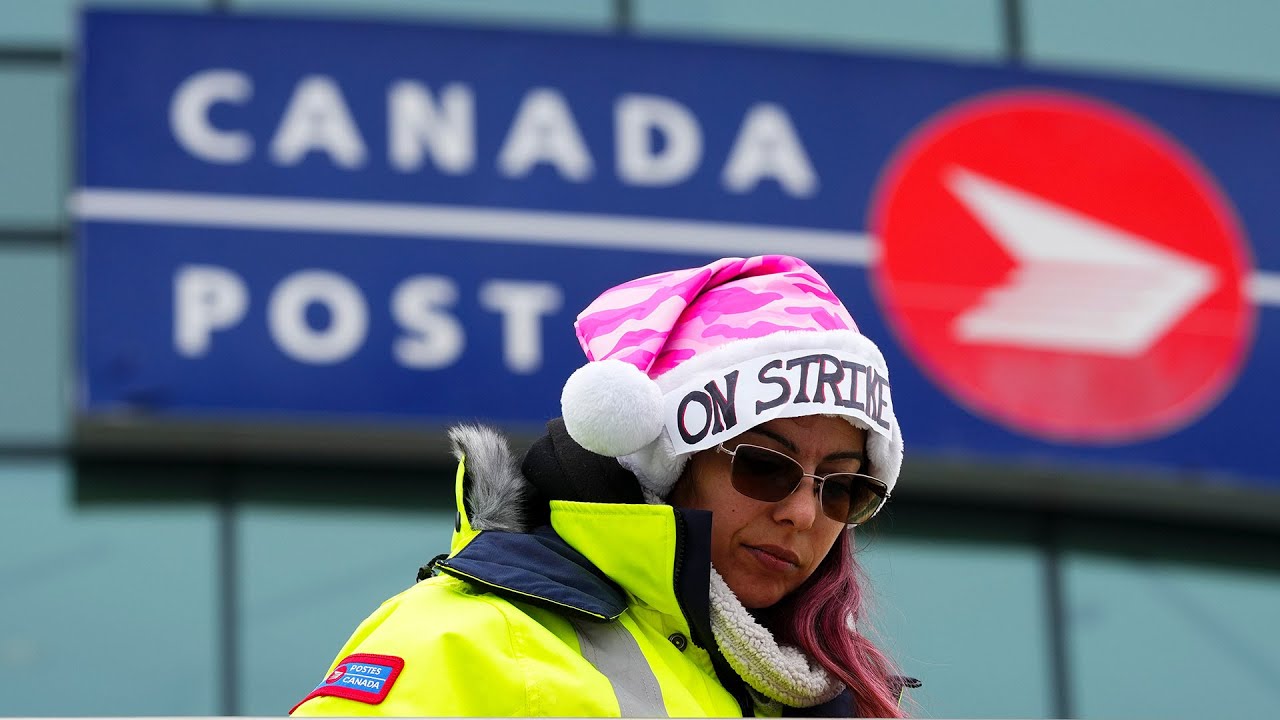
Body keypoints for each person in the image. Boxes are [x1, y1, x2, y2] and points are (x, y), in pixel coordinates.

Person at [290, 255, 913, 717]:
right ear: (663, 462)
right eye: (764, 465)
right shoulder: (469, 641)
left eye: (842, 488)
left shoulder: (829, 694)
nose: (803, 513)